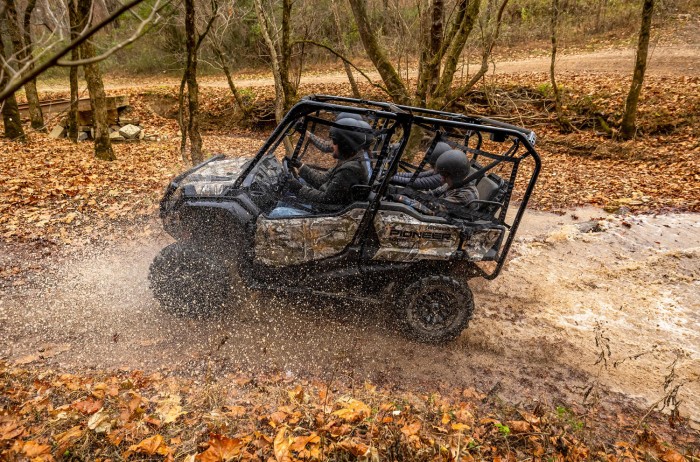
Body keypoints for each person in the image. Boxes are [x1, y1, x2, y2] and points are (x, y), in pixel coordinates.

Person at [268, 118, 369, 218]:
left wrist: (299, 189)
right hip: (328, 209)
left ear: (344, 145)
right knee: (283, 202)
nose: (331, 145)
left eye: (334, 142)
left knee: (276, 213)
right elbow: (321, 180)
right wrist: (300, 165)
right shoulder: (347, 161)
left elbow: (327, 198)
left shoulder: (349, 169)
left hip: (330, 215)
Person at [392, 149, 479, 218]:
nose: (442, 179)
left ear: (455, 176)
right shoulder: (453, 183)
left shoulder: (464, 196)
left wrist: (402, 199)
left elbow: (433, 209)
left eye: (444, 176)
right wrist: (404, 192)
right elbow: (431, 194)